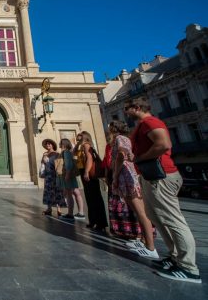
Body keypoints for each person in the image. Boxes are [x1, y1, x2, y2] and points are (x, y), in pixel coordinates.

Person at [125, 97, 201, 283]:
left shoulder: (150, 122)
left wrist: (140, 158)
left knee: (172, 218)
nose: (126, 113)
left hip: (162, 175)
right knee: (156, 214)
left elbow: (164, 144)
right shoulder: (143, 124)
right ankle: (175, 257)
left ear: (136, 108)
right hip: (152, 177)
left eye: (128, 109)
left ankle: (189, 267)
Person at [109, 120, 158, 260]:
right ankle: (143, 240)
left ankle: (150, 247)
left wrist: (115, 175)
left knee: (140, 212)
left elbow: (121, 155)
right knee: (140, 212)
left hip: (126, 176)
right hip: (131, 175)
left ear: (114, 128)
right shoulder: (127, 138)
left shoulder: (119, 138)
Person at [79, 131, 108, 232]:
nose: (78, 137)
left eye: (80, 136)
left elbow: (89, 159)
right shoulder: (83, 146)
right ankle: (93, 221)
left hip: (89, 174)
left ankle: (100, 222)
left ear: (85, 137)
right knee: (89, 197)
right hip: (86, 173)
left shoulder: (86, 145)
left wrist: (86, 172)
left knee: (94, 197)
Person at [58, 138, 85, 220]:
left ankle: (71, 213)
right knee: (75, 192)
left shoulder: (65, 152)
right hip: (71, 175)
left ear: (63, 144)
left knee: (71, 194)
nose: (59, 144)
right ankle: (80, 212)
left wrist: (67, 175)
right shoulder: (70, 152)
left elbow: (68, 164)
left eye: (61, 143)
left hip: (68, 174)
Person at [40, 139, 66, 216]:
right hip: (48, 175)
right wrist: (43, 159)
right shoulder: (45, 154)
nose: (48, 145)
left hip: (55, 174)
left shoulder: (57, 154)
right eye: (47, 144)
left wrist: (59, 174)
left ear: (53, 145)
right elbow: (42, 163)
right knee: (48, 191)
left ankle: (59, 209)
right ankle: (49, 209)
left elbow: (59, 164)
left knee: (57, 191)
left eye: (49, 144)